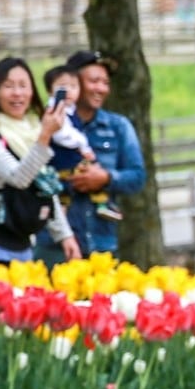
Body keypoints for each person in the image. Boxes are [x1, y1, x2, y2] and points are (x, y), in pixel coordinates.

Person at [0, 56, 82, 266]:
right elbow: (20, 177)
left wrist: (64, 235)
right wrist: (45, 136)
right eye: (8, 86)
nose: (17, 93)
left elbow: (44, 185)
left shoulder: (33, 132)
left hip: (21, 246)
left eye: (23, 85)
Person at [33, 50, 146, 265]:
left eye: (105, 83)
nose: (101, 89)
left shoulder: (118, 126)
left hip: (101, 243)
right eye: (94, 81)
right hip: (54, 244)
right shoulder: (46, 123)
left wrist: (106, 178)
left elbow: (138, 177)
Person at [42, 65, 122, 221]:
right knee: (87, 170)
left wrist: (106, 177)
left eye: (73, 86)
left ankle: (67, 211)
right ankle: (101, 204)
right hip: (63, 161)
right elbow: (61, 135)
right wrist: (82, 143)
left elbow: (137, 175)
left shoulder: (70, 110)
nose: (69, 91)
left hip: (67, 162)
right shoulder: (55, 111)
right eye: (63, 87)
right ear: (50, 90)